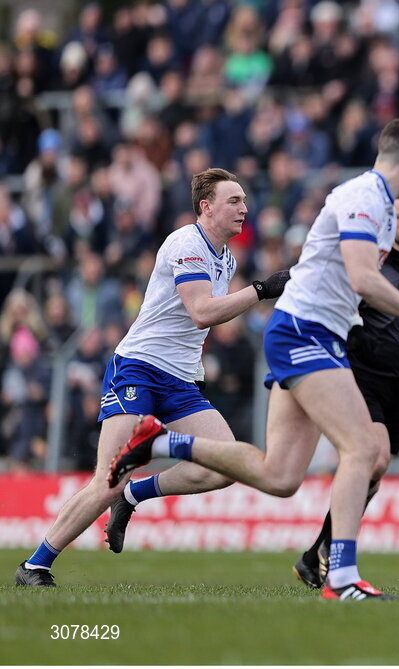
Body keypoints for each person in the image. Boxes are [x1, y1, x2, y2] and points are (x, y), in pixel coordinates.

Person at [108, 119, 399, 601]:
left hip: (312, 332)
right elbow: (360, 277)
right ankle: (341, 578)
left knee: (281, 477)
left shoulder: (374, 202)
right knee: (363, 449)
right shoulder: (368, 197)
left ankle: (160, 445)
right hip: (304, 332)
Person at [15, 168, 290, 587]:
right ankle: (34, 565)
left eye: (244, 200)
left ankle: (134, 495)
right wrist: (263, 289)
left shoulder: (226, 257)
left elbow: (205, 320)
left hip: (180, 381)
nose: (244, 209)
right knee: (109, 475)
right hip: (140, 368)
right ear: (206, 207)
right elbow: (201, 312)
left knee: (224, 466)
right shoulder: (186, 243)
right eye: (234, 201)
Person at [291, 194, 399, 589]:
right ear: (389, 221)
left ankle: (316, 553)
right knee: (374, 454)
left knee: (376, 466)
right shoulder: (368, 262)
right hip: (358, 377)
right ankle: (339, 563)